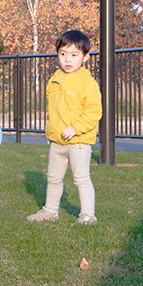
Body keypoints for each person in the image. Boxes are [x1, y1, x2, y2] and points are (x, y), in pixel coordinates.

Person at [27, 30, 102, 225]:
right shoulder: (56, 78)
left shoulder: (87, 83)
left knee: (81, 178)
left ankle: (87, 215)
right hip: (57, 141)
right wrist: (51, 130)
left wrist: (75, 128)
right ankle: (50, 211)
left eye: (74, 55)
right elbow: (53, 109)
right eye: (63, 54)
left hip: (78, 141)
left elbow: (93, 112)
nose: (68, 59)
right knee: (53, 178)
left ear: (85, 57)